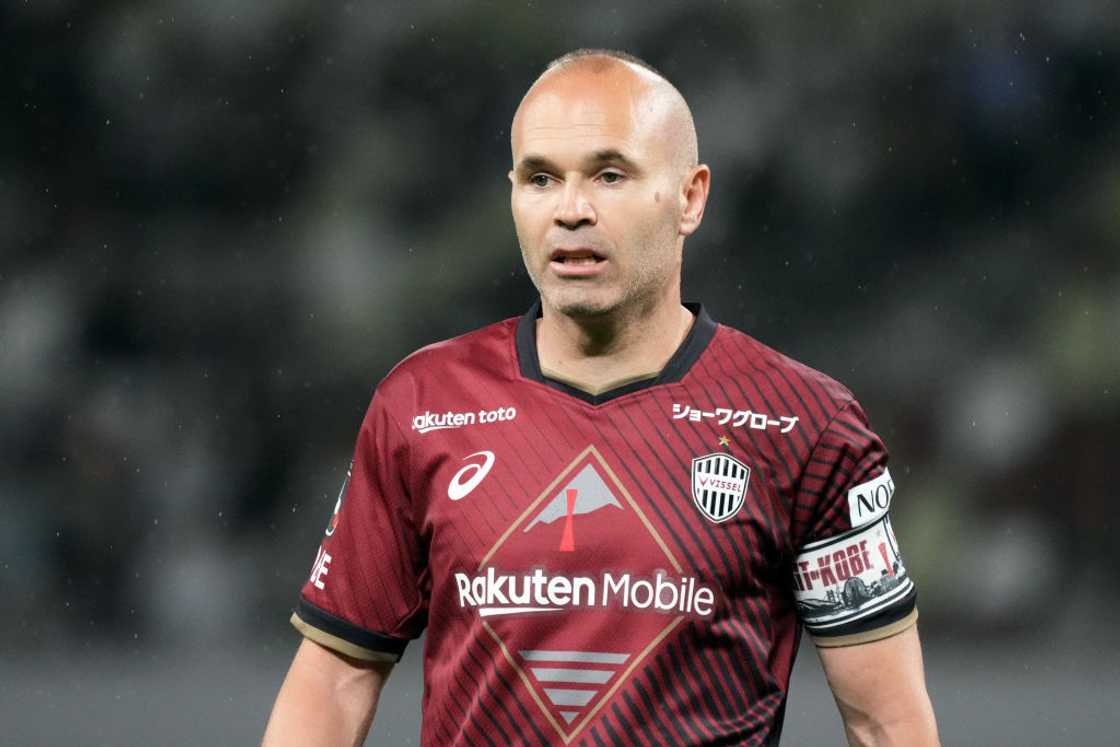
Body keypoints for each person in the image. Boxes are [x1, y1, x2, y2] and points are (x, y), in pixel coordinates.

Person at [262, 48, 940, 746]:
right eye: (541, 179)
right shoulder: (421, 404)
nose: (571, 210)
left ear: (690, 196)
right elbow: (336, 679)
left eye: (610, 175)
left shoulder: (804, 424)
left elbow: (884, 720)